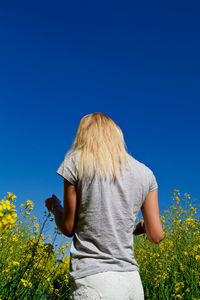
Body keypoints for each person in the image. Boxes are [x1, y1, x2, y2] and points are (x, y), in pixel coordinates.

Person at [45, 112, 164, 300]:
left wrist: (55, 207)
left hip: (93, 280)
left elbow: (68, 228)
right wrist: (143, 227)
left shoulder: (77, 161)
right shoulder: (146, 173)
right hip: (132, 282)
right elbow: (156, 235)